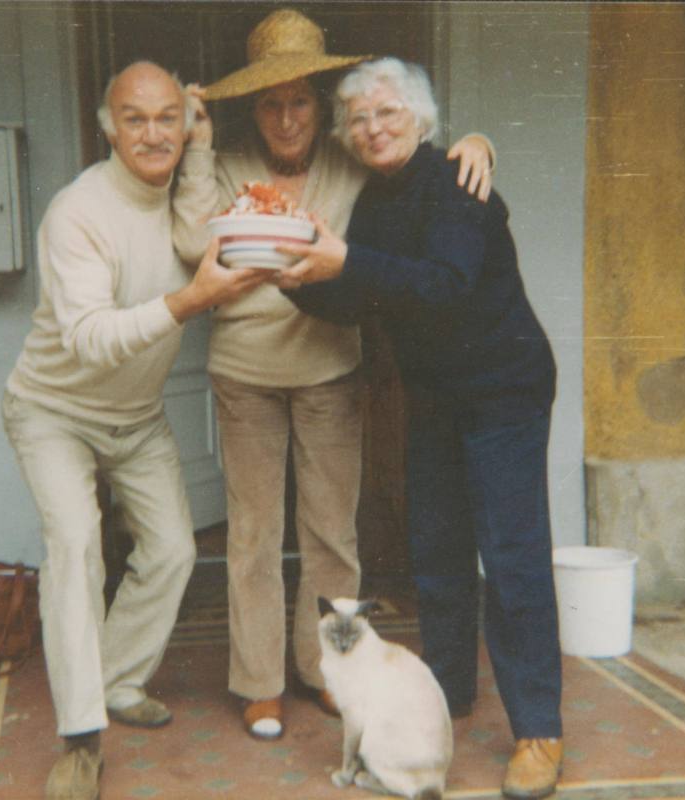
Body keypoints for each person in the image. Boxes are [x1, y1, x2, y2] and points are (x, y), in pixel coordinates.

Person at [172, 7, 495, 742]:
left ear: (319, 107)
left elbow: (416, 168)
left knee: (330, 532)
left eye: (298, 102)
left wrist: (472, 144)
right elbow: (195, 239)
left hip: (329, 367)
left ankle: (324, 670)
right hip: (244, 371)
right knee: (253, 533)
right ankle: (257, 682)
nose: (285, 117)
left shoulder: (356, 161)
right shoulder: (224, 168)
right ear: (252, 110)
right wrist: (194, 147)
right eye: (268, 103)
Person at [277, 57, 564, 800]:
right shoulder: (375, 202)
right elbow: (361, 296)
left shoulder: (459, 185)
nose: (373, 129)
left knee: (511, 558)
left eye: (388, 114)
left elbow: (444, 285)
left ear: (421, 119)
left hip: (504, 389)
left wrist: (347, 258)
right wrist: (302, 283)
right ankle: (447, 692)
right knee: (435, 548)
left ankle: (538, 732)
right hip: (434, 393)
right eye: (360, 119)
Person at [2, 61, 269, 800]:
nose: (153, 134)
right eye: (135, 118)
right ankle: (80, 740)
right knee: (78, 546)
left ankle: (116, 678)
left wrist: (206, 145)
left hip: (135, 415)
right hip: (53, 409)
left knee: (174, 550)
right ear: (108, 128)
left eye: (167, 117)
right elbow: (88, 338)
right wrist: (192, 300)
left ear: (185, 125)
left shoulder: (185, 190)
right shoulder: (77, 211)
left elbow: (208, 222)